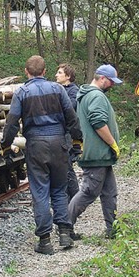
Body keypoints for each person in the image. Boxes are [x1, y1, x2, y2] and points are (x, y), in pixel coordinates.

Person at [1, 55, 81, 255]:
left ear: (26, 72)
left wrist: (5, 146)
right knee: (59, 189)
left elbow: (11, 123)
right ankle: (64, 232)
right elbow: (71, 117)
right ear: (45, 72)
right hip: (58, 144)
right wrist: (77, 142)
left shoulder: (22, 92)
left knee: (40, 191)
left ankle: (45, 240)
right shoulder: (58, 89)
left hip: (36, 145)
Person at [69, 64, 122, 239]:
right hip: (97, 154)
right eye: (111, 82)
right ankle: (65, 226)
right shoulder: (96, 96)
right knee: (89, 192)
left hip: (102, 155)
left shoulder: (87, 95)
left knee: (109, 192)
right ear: (102, 78)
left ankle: (112, 229)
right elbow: (98, 123)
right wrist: (113, 143)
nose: (112, 85)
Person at [55, 62, 82, 201]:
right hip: (58, 134)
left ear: (68, 76)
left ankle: (76, 199)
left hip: (68, 135)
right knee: (62, 168)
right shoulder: (58, 89)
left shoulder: (74, 92)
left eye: (59, 73)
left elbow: (69, 109)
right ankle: (67, 199)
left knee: (67, 167)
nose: (56, 75)